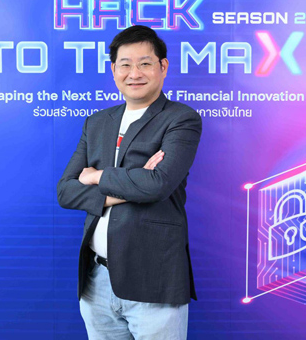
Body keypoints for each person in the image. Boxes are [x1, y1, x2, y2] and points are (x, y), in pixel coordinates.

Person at [57, 25, 202, 340]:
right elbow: (66, 191)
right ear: (114, 70)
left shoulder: (181, 119)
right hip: (97, 281)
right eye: (125, 64)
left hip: (153, 278)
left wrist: (96, 177)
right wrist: (133, 184)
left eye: (145, 63)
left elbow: (157, 184)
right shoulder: (97, 123)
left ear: (163, 66)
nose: (134, 73)